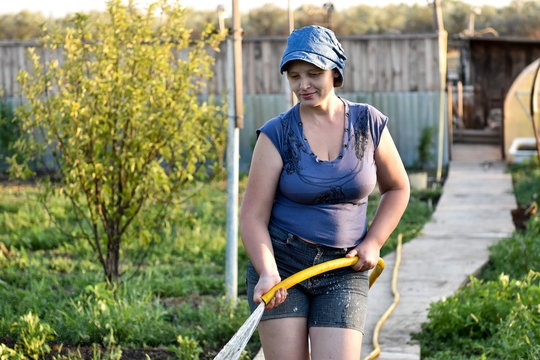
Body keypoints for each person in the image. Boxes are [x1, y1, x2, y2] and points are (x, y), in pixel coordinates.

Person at [239, 25, 410, 360]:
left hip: (345, 268)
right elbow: (252, 215)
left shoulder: (368, 123)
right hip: (283, 265)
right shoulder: (277, 134)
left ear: (335, 72)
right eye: (295, 76)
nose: (303, 85)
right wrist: (267, 270)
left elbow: (398, 187)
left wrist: (373, 242)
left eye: (314, 73)